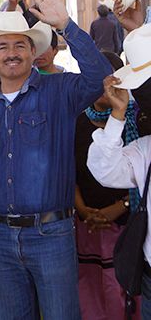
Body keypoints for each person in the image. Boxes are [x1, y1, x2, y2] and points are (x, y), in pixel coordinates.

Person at [0, 0, 112, 320]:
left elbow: (101, 76)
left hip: (52, 235)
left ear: (33, 52)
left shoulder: (61, 90)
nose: (12, 52)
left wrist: (67, 26)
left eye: (20, 45)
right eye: (3, 46)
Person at [74, 71, 140, 320]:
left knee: (120, 286)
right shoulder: (77, 122)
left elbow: (140, 176)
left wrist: (120, 206)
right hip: (87, 224)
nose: (106, 88)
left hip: (126, 223)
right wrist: (83, 209)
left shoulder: (136, 121)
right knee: (89, 286)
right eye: (100, 83)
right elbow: (69, 173)